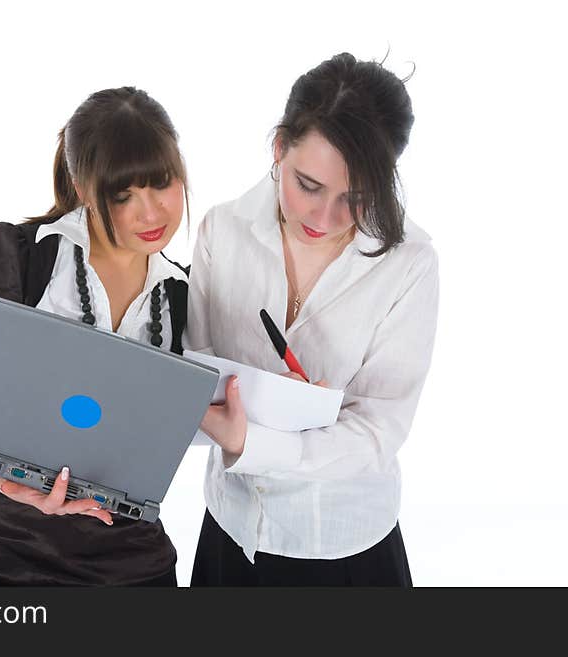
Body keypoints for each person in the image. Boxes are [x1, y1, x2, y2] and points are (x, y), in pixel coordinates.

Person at [186, 53, 439, 586]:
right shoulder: (221, 231)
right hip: (231, 530)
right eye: (308, 185)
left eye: (356, 197)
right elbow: (195, 375)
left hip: (344, 547)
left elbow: (377, 431)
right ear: (279, 148)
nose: (324, 219)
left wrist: (257, 439)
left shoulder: (410, 262)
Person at [0, 86, 192, 586]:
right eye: (123, 194)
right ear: (84, 188)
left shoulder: (183, 294)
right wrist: (11, 486)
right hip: (1, 556)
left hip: (129, 563)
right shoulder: (15, 261)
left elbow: (175, 431)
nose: (151, 213)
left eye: (162, 185)